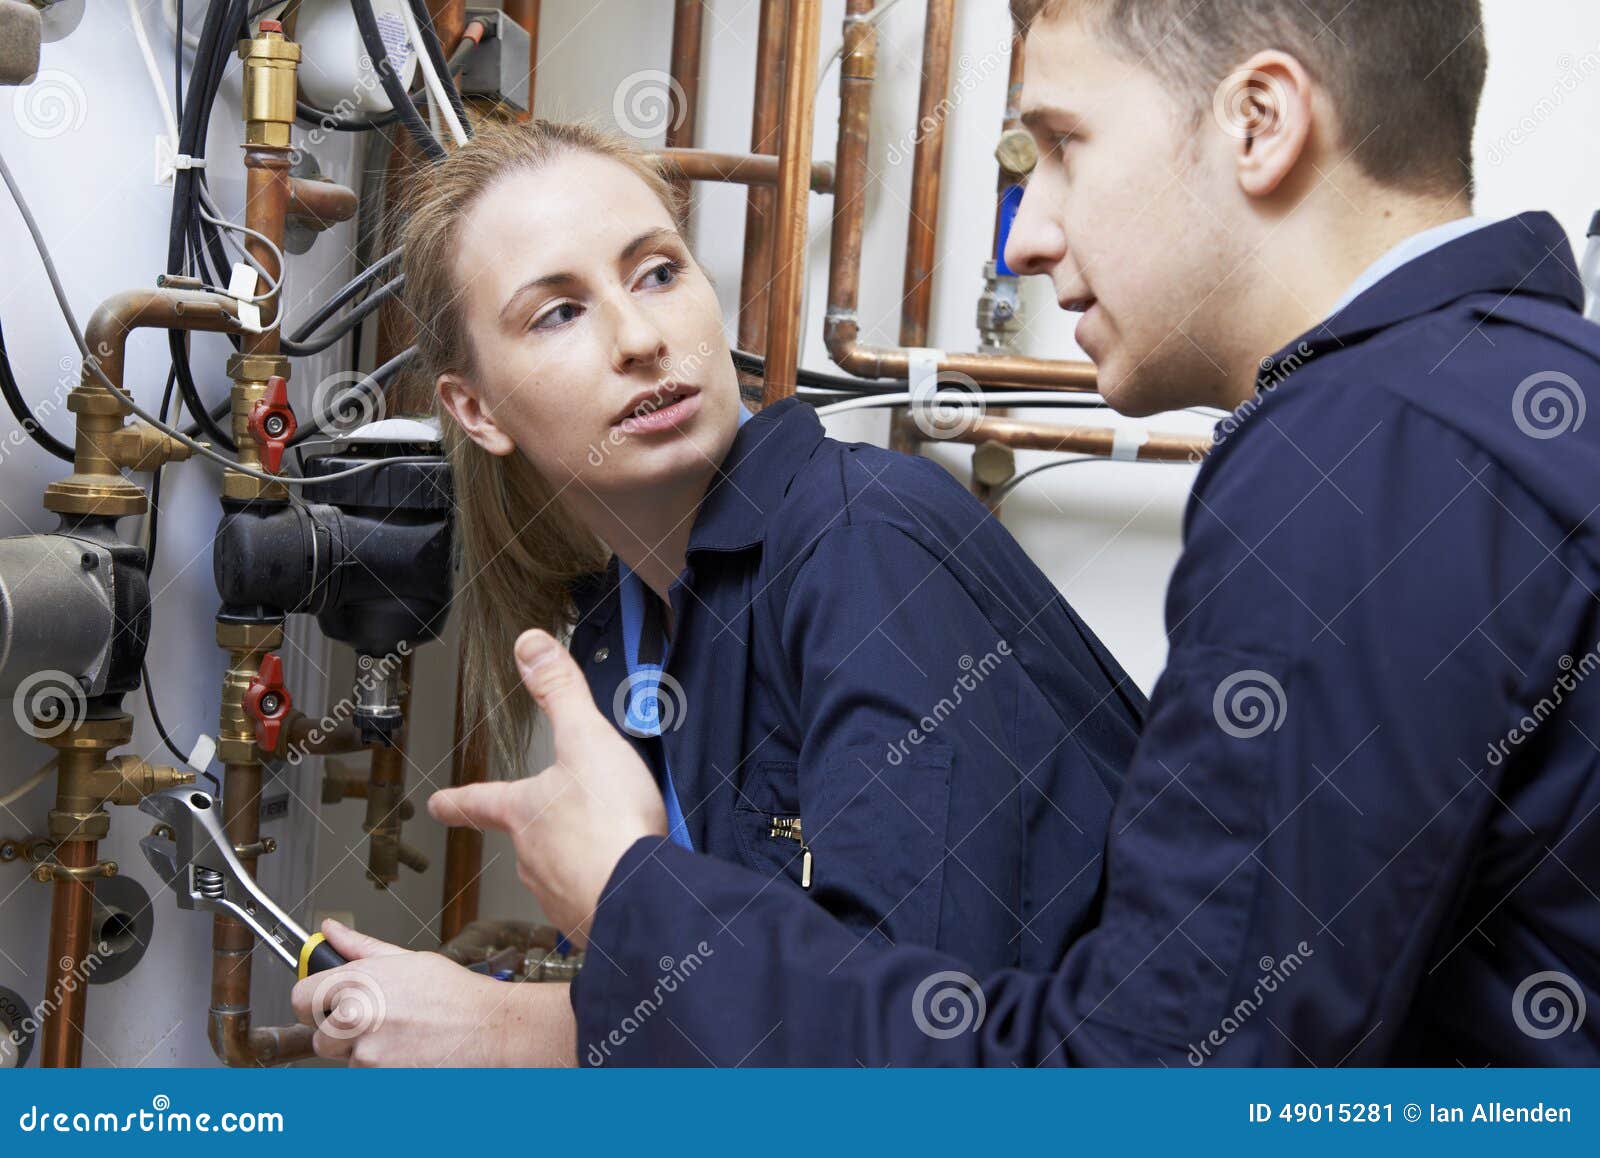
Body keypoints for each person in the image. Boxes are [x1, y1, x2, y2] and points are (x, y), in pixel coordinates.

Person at [423, 0, 1600, 1066]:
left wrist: (627, 910)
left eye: (1061, 146)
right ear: (470, 409)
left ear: (1260, 120)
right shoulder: (1481, 407)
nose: (1024, 239)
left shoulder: (1367, 459)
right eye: (561, 310)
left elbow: (1144, 1094)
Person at [290, 117, 1148, 1065]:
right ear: (475, 410)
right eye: (559, 312)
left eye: (657, 271)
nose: (642, 337)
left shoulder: (863, 546)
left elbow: (920, 1067)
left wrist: (513, 1033)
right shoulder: (618, 638)